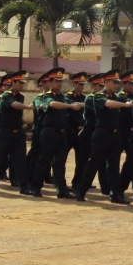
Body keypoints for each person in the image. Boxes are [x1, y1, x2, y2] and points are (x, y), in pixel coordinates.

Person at [74, 69, 131, 204]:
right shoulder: (98, 96)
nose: (116, 85)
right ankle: (80, 190)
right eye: (113, 82)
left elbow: (127, 100)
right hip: (101, 134)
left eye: (117, 83)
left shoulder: (116, 96)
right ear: (106, 82)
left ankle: (115, 194)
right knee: (93, 163)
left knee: (113, 166)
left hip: (114, 135)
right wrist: (125, 105)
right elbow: (109, 104)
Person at [30, 68, 82, 198]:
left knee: (59, 163)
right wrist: (70, 106)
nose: (59, 84)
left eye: (61, 81)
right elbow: (53, 104)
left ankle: (61, 190)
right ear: (51, 82)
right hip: (49, 132)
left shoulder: (63, 96)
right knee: (43, 161)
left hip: (61, 133)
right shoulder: (47, 96)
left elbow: (76, 103)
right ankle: (35, 187)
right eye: (56, 81)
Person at [0, 71, 33, 193]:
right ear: (13, 82)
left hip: (18, 133)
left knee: (20, 161)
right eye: (20, 83)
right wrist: (28, 107)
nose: (22, 85)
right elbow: (15, 105)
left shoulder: (21, 96)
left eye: (23, 83)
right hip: (5, 132)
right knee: (0, 159)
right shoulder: (6, 95)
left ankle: (24, 187)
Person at [73, 73, 108, 194]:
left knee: (101, 161)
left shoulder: (103, 97)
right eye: (99, 85)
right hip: (88, 132)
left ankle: (105, 187)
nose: (102, 87)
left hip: (98, 132)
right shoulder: (91, 98)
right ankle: (77, 184)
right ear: (93, 86)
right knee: (83, 161)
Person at [63, 72, 87, 188]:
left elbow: (81, 106)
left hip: (80, 130)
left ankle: (77, 182)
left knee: (81, 159)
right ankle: (61, 182)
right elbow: (74, 105)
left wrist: (82, 104)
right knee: (63, 157)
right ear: (74, 84)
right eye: (79, 84)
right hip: (70, 129)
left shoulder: (84, 97)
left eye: (83, 84)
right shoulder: (68, 96)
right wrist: (83, 104)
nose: (81, 86)